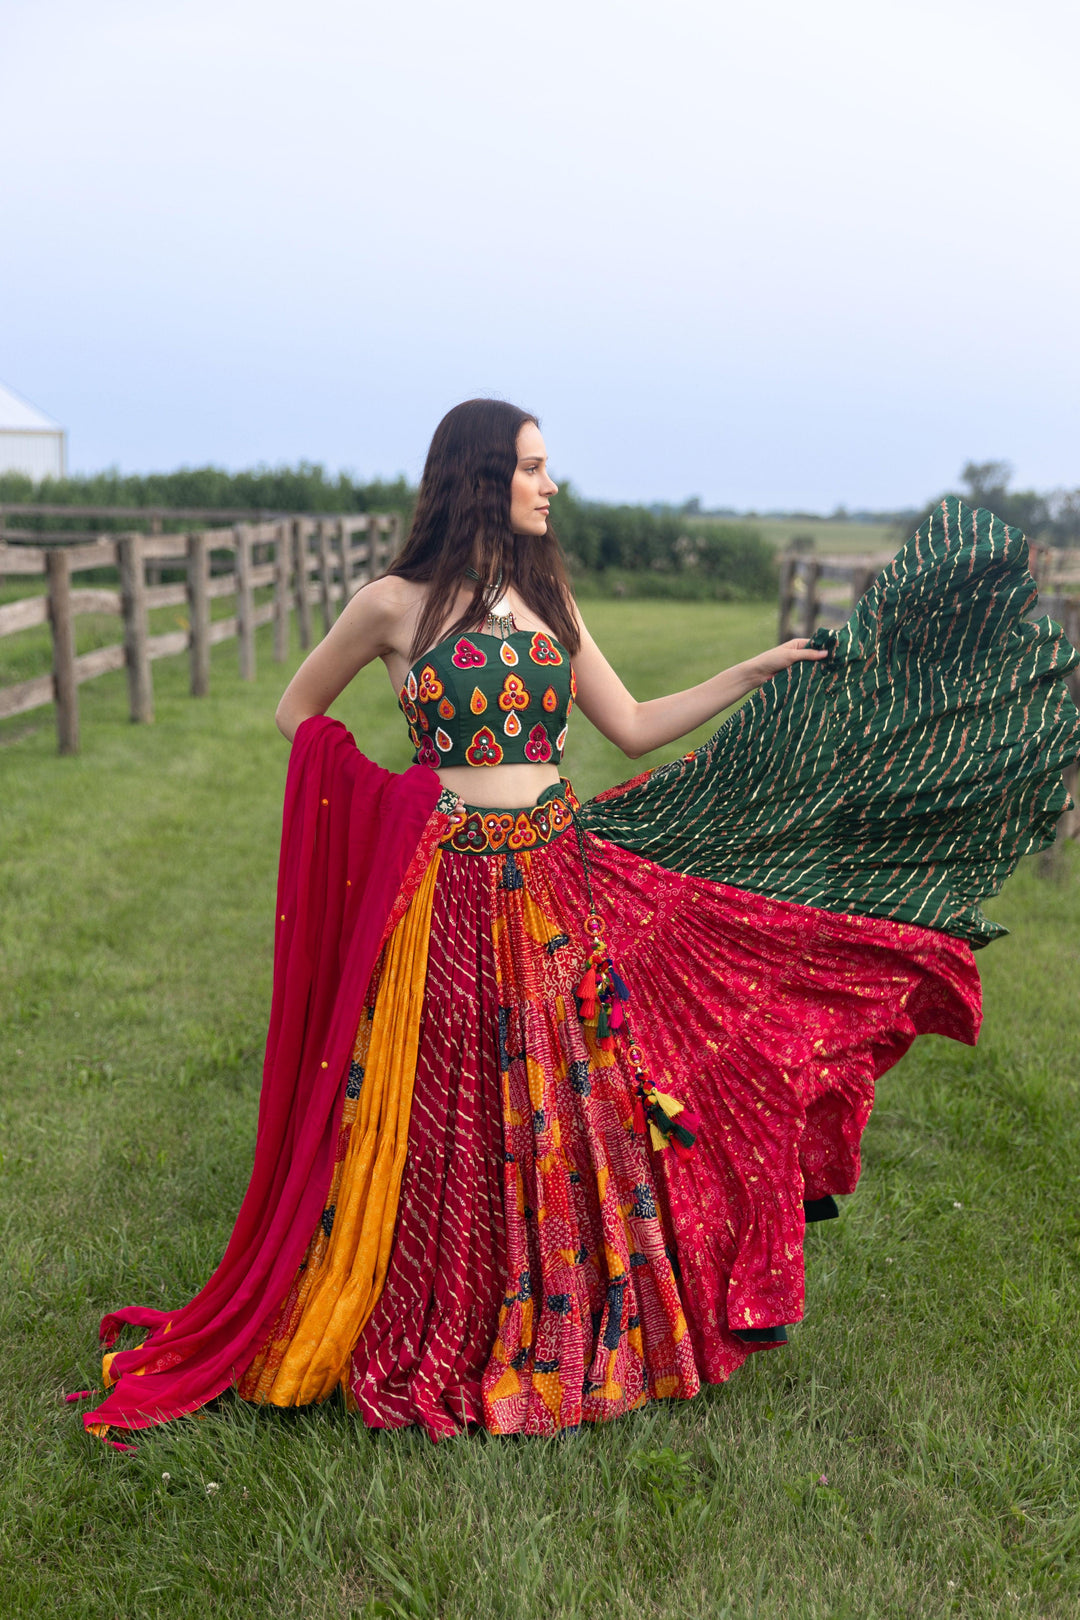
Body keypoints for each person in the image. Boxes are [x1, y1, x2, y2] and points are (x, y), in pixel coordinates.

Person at [84, 399, 1080, 1446]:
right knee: (453, 1111)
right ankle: (437, 1309)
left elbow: (634, 724)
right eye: (531, 467)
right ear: (479, 477)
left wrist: (753, 672)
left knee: (564, 1102)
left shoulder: (546, 593)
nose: (548, 484)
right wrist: (390, 806)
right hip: (449, 891)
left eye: (546, 467)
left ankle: (571, 1318)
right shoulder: (392, 604)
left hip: (559, 880)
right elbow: (299, 713)